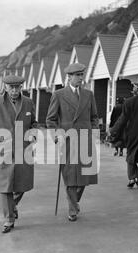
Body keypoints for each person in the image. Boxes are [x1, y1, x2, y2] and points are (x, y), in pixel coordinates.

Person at [0, 75, 37, 233]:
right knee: (5, 186)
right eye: (12, 87)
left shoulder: (29, 103)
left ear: (21, 87)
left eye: (18, 87)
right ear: (5, 88)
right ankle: (9, 219)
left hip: (24, 150)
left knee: (22, 185)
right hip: (2, 150)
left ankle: (12, 206)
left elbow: (33, 123)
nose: (15, 90)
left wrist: (33, 135)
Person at [46, 63, 99, 222]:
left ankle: (74, 202)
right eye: (77, 75)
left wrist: (93, 132)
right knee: (69, 176)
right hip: (67, 141)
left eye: (82, 75)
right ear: (69, 77)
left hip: (85, 140)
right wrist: (57, 136)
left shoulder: (89, 95)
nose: (81, 78)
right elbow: (50, 119)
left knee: (84, 177)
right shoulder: (59, 94)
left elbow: (94, 117)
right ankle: (72, 209)